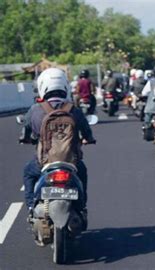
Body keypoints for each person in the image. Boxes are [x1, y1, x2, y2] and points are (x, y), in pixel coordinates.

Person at [21, 68, 96, 222]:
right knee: (82, 173)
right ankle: (81, 208)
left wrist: (25, 138)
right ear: (64, 86)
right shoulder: (73, 110)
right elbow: (87, 131)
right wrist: (88, 138)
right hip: (70, 162)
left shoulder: (35, 109)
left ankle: (30, 207)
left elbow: (25, 132)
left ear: (42, 86)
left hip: (44, 162)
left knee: (29, 173)